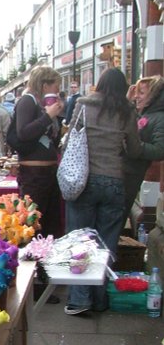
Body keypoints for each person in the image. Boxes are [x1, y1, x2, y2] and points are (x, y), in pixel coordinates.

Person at [64, 68, 142, 315]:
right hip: (114, 182)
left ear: (99, 84)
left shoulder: (83, 105)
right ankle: (100, 299)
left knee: (80, 240)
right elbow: (134, 149)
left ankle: (79, 299)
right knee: (106, 243)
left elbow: (69, 142)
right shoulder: (127, 112)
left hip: (84, 180)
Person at [16, 66, 64, 239]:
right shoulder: (27, 101)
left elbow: (53, 141)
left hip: (49, 172)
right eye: (55, 86)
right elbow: (23, 132)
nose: (58, 90)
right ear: (44, 86)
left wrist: (56, 116)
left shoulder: (45, 105)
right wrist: (47, 117)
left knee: (51, 224)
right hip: (34, 174)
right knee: (34, 223)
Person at [123, 75, 164, 230]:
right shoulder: (144, 113)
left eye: (141, 92)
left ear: (153, 95)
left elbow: (160, 149)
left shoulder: (159, 117)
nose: (136, 96)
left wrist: (137, 148)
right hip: (126, 173)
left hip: (132, 175)